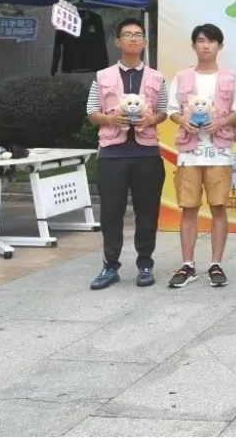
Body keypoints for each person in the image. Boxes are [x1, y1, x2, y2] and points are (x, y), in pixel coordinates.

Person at [87, 17, 168, 290]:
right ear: (117, 42)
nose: (133, 39)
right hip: (112, 153)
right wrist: (110, 119)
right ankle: (110, 265)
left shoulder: (157, 77)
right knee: (111, 212)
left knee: (147, 212)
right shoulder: (102, 76)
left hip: (147, 153)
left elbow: (164, 111)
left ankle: (145, 264)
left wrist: (152, 119)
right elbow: (91, 111)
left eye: (138, 34)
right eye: (127, 34)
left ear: (145, 42)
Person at [165, 24, 236, 288]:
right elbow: (172, 109)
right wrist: (183, 121)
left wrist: (220, 123)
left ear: (219, 46)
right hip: (190, 151)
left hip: (219, 151)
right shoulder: (182, 76)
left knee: (218, 207)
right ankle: (187, 265)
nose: (206, 45)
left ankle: (216, 264)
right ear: (193, 45)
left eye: (211, 41)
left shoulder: (231, 77)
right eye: (201, 41)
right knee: (188, 208)